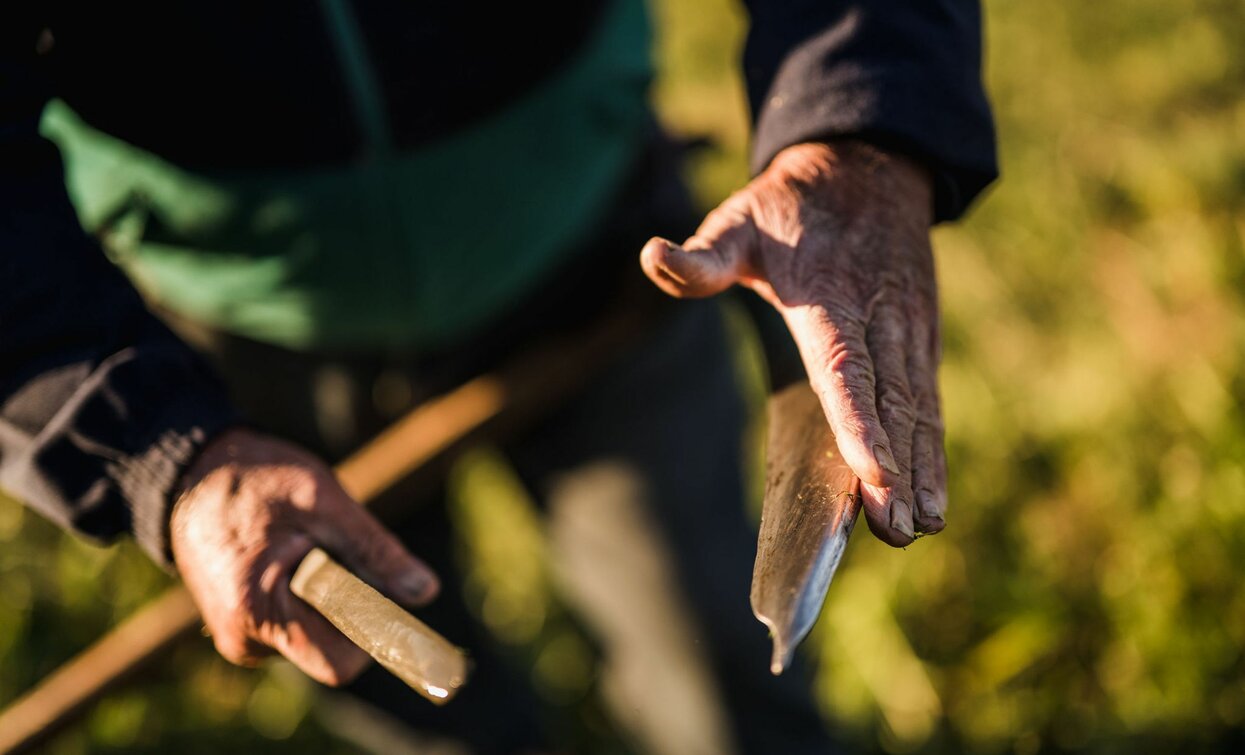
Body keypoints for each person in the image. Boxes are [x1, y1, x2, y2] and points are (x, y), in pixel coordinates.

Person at [0, 1, 996, 752]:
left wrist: (859, 120)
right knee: (413, 701)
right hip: (236, 357)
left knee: (718, 644)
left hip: (613, 266)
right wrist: (154, 448)